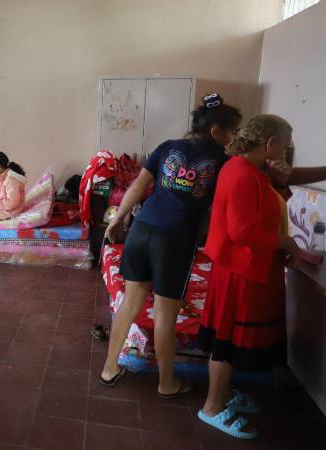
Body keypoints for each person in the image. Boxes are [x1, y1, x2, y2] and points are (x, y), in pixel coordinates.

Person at [100, 93, 242, 398]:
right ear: (216, 131)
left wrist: (117, 219)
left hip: (141, 230)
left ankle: (109, 368)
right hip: (174, 240)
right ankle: (167, 384)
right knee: (166, 314)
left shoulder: (167, 147)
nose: (233, 138)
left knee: (130, 303)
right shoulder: (223, 161)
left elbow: (139, 186)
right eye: (232, 131)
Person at [196, 115, 302, 439]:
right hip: (238, 271)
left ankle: (224, 394)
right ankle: (212, 407)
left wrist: (281, 185)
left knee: (228, 340)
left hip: (247, 268)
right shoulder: (241, 173)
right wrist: (285, 241)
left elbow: (267, 211)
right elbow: (241, 230)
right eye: (285, 145)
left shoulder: (253, 171)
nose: (287, 151)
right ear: (270, 143)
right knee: (225, 343)